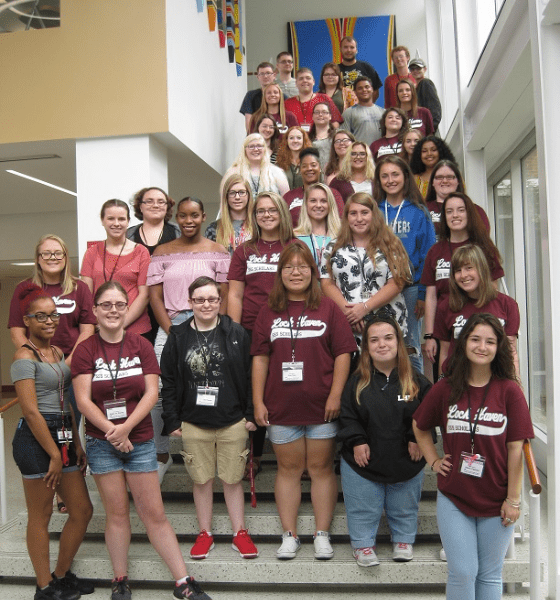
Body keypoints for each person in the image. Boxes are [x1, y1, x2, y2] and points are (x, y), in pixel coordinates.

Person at [72, 281, 211, 600]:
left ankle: (182, 581)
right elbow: (83, 400)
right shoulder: (85, 350)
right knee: (117, 514)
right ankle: (120, 580)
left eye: (119, 305)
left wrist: (125, 429)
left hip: (141, 441)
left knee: (154, 515)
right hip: (101, 443)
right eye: (105, 305)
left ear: (127, 309)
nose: (112, 311)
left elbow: (152, 394)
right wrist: (112, 430)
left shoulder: (141, 346)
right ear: (94, 311)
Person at [413, 313, 534, 600]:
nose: (482, 347)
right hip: (455, 495)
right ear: (463, 342)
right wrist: (433, 460)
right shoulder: (445, 387)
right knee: (463, 571)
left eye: (490, 342)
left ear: (498, 347)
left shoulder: (510, 392)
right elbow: (419, 426)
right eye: (476, 339)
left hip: (497, 498)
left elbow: (516, 449)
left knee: (490, 574)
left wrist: (513, 500)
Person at [251, 242, 357, 560]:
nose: (295, 272)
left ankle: (322, 534)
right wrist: (257, 401)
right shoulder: (268, 312)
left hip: (323, 407)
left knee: (321, 468)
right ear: (280, 273)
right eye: (289, 267)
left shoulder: (328, 308)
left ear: (313, 272)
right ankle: (290, 535)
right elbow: (259, 359)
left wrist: (336, 394)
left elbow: (343, 354)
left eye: (302, 267)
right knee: (289, 469)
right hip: (281, 407)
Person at [160, 276, 258, 560]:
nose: (206, 304)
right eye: (199, 300)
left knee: (232, 479)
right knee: (201, 481)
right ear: (190, 303)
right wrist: (172, 420)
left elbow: (252, 376)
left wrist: (250, 414)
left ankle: (240, 533)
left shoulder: (236, 333)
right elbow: (168, 381)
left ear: (220, 302)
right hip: (192, 421)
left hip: (232, 420)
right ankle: (205, 533)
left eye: (212, 299)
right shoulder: (178, 336)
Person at [11, 284, 93, 600]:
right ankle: (44, 587)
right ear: (27, 321)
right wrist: (54, 457)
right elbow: (31, 411)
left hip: (62, 435)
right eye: (41, 316)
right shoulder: (23, 357)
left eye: (54, 315)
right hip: (35, 442)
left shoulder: (58, 353)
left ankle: (59, 575)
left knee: (82, 509)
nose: (49, 321)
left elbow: (66, 402)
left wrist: (76, 444)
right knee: (41, 514)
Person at [10, 234, 96, 513]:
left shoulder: (80, 288)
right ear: (37, 258)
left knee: (70, 426)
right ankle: (56, 491)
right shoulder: (25, 289)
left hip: (72, 365)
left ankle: (71, 485)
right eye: (46, 254)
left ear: (65, 256)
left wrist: (67, 364)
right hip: (40, 368)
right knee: (40, 422)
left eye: (58, 253)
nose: (53, 258)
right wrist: (37, 359)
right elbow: (16, 330)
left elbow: (87, 329)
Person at [148, 197, 230, 482]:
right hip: (171, 325)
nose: (189, 221)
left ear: (203, 216)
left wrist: (220, 328)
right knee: (158, 390)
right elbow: (155, 297)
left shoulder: (218, 251)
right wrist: (171, 330)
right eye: (183, 216)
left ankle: (214, 449)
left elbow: (226, 294)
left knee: (210, 386)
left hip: (210, 324)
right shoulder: (161, 252)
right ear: (176, 219)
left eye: (194, 215)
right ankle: (160, 452)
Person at [338, 315, 431, 566]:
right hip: (363, 460)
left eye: (388, 338)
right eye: (374, 340)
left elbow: (429, 415)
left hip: (406, 459)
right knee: (363, 508)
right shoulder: (355, 382)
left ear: (399, 342)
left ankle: (403, 540)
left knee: (404, 506)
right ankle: (363, 545)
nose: (382, 344)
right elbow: (347, 416)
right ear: (366, 346)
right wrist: (356, 441)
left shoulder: (418, 381)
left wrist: (416, 438)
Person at [228, 192, 296, 478]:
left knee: (286, 388)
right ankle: (253, 455)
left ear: (282, 212)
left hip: (288, 329)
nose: (266, 215)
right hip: (249, 330)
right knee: (251, 393)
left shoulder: (294, 247)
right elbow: (235, 292)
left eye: (272, 210)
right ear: (253, 217)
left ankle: (292, 456)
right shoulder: (244, 250)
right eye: (260, 211)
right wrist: (233, 330)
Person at [421, 192, 503, 369]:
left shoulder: (485, 249)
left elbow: (493, 290)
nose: (455, 215)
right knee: (449, 375)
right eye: (449, 211)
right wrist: (429, 336)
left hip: (481, 325)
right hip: (447, 328)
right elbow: (431, 297)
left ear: (469, 214)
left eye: (460, 210)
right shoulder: (435, 251)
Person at [374, 155, 436, 373]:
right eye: (385, 176)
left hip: (410, 288)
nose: (390, 180)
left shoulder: (419, 211)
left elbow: (429, 255)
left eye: (395, 174)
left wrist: (421, 294)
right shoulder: (373, 210)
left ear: (405, 177)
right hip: (377, 288)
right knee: (380, 344)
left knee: (409, 345)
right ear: (378, 180)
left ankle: (413, 400)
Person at [320, 192, 410, 338]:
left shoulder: (391, 244)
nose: (359, 218)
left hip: (386, 323)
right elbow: (326, 283)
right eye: (353, 213)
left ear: (374, 215)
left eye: (364, 213)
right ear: (346, 217)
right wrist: (350, 313)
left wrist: (364, 308)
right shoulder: (333, 247)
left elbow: (397, 283)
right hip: (347, 322)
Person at [434, 244, 518, 377]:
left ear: (482, 269)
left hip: (497, 380)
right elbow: (444, 353)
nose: (463, 275)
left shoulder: (507, 304)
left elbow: (511, 352)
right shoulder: (445, 307)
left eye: (469, 268)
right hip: (458, 382)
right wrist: (441, 386)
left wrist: (516, 386)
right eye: (458, 270)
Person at [81, 199, 151, 336]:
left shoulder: (141, 252)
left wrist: (117, 325)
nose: (116, 223)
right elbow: (86, 295)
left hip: (135, 330)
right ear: (102, 221)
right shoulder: (92, 252)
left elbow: (145, 295)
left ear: (128, 221)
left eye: (121, 219)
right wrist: (102, 324)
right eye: (111, 218)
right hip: (100, 329)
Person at [126, 187, 180, 344]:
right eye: (149, 201)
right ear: (140, 206)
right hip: (137, 308)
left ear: (167, 206)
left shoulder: (178, 232)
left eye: (161, 201)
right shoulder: (128, 235)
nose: (155, 205)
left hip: (171, 307)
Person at [424, 161, 490, 237]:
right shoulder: (421, 209)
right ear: (432, 182)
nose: (445, 181)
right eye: (439, 177)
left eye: (450, 177)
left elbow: (482, 240)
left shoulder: (475, 210)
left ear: (458, 181)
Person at [283, 147, 344, 227]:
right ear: (300, 169)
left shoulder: (333, 194)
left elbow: (341, 222)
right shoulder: (289, 197)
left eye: (313, 165)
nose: (309, 169)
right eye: (304, 166)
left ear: (320, 168)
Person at [220, 133, 290, 198]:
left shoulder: (277, 172)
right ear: (244, 150)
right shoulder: (233, 172)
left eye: (259, 146)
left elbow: (287, 199)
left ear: (265, 150)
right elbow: (224, 200)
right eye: (251, 146)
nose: (256, 149)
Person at [204, 174, 254, 254]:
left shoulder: (258, 226)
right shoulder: (213, 228)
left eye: (242, 192)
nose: (237, 197)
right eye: (232, 193)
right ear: (226, 196)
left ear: (248, 195)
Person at [294, 182, 342, 265]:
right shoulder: (295, 236)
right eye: (313, 201)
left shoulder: (342, 236)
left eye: (323, 201)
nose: (318, 205)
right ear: (306, 204)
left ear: (330, 204)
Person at [340, 76, 384, 147]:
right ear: (355, 92)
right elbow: (344, 138)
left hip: (380, 154)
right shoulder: (348, 113)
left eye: (367, 87)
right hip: (359, 155)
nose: (364, 90)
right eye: (360, 88)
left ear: (372, 89)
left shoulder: (383, 112)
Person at [337, 35, 383, 100]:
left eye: (352, 47)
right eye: (345, 47)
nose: (349, 50)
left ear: (356, 50)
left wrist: (366, 105)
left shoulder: (367, 67)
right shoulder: (335, 70)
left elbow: (375, 90)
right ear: (340, 49)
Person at [239, 61, 277, 133]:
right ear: (258, 77)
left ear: (274, 75)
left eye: (268, 73)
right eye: (262, 74)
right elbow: (249, 122)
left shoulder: (282, 97)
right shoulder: (251, 95)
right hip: (257, 138)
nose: (265, 76)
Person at [408, 58, 442, 133]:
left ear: (425, 69)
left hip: (429, 132)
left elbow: (435, 110)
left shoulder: (425, 83)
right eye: (412, 69)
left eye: (418, 68)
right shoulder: (415, 88)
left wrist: (430, 131)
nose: (415, 71)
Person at [275, 126, 312, 190]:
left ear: (304, 140)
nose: (295, 141)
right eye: (291, 138)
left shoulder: (311, 163)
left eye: (299, 138)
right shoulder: (278, 165)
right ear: (287, 141)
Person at [309, 101, 336, 170]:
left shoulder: (338, 136)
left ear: (330, 116)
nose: (320, 115)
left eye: (324, 112)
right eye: (317, 112)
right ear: (312, 116)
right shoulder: (307, 139)